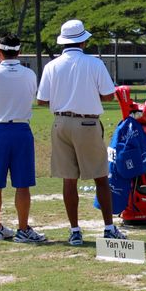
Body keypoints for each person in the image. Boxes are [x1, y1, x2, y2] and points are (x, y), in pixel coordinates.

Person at [37, 19, 126, 245]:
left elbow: (41, 99)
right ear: (84, 41)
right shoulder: (94, 64)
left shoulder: (52, 66)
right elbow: (108, 95)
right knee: (100, 177)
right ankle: (108, 228)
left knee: (69, 180)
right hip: (87, 124)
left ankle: (75, 231)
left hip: (60, 123)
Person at [0, 33, 46, 243]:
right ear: (19, 52)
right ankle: (23, 229)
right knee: (23, 184)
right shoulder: (29, 74)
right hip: (21, 131)